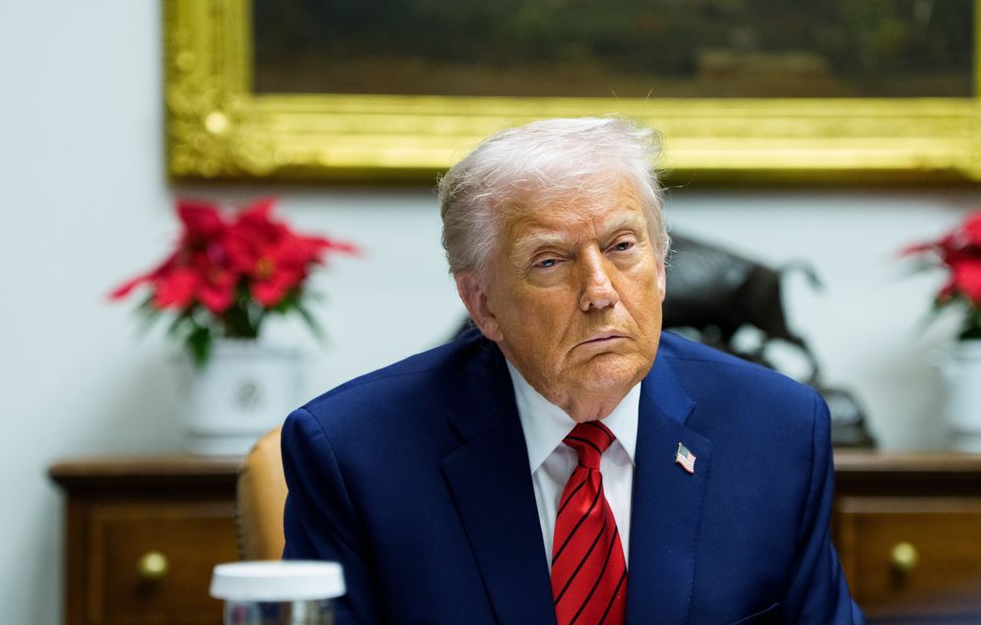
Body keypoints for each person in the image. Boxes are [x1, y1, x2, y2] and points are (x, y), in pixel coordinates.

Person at [281, 117, 865, 624]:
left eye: (622, 247)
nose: (600, 292)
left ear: (661, 269)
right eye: (550, 260)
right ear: (482, 303)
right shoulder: (356, 455)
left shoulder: (777, 430)